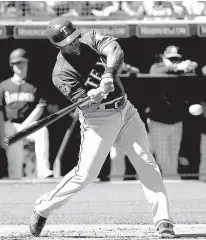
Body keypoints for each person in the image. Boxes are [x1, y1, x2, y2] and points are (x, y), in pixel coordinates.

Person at [29, 17, 175, 238]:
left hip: (126, 110)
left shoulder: (90, 38)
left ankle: (163, 220)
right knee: (86, 174)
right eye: (68, 42)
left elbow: (115, 50)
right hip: (98, 118)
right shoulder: (61, 73)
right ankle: (43, 207)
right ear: (58, 45)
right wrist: (94, 95)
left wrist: (108, 74)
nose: (74, 42)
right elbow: (86, 104)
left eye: (74, 36)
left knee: (145, 161)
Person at [0, 48, 53, 179]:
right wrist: (2, 137)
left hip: (29, 125)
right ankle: (16, 183)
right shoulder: (3, 86)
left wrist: (24, 127)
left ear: (27, 63)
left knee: (42, 131)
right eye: (16, 63)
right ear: (11, 65)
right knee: (15, 166)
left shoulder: (34, 85)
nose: (20, 66)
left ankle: (43, 170)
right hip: (11, 126)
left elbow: (40, 108)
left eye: (22, 62)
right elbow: (0, 112)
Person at [148, 45, 198, 178]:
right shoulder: (157, 68)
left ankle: (173, 183)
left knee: (173, 155)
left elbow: (194, 65)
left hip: (176, 121)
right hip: (158, 121)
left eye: (176, 59)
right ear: (164, 58)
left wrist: (186, 66)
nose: (174, 61)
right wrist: (174, 67)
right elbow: (155, 73)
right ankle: (167, 180)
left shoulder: (181, 69)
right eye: (171, 58)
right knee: (162, 157)